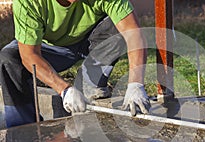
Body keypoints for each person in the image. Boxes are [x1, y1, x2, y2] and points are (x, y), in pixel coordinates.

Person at [0, 0, 151, 128]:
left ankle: (89, 83)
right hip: (49, 49)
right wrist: (64, 89)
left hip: (93, 41)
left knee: (116, 28)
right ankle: (23, 130)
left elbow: (133, 35)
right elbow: (29, 55)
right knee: (9, 58)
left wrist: (135, 84)